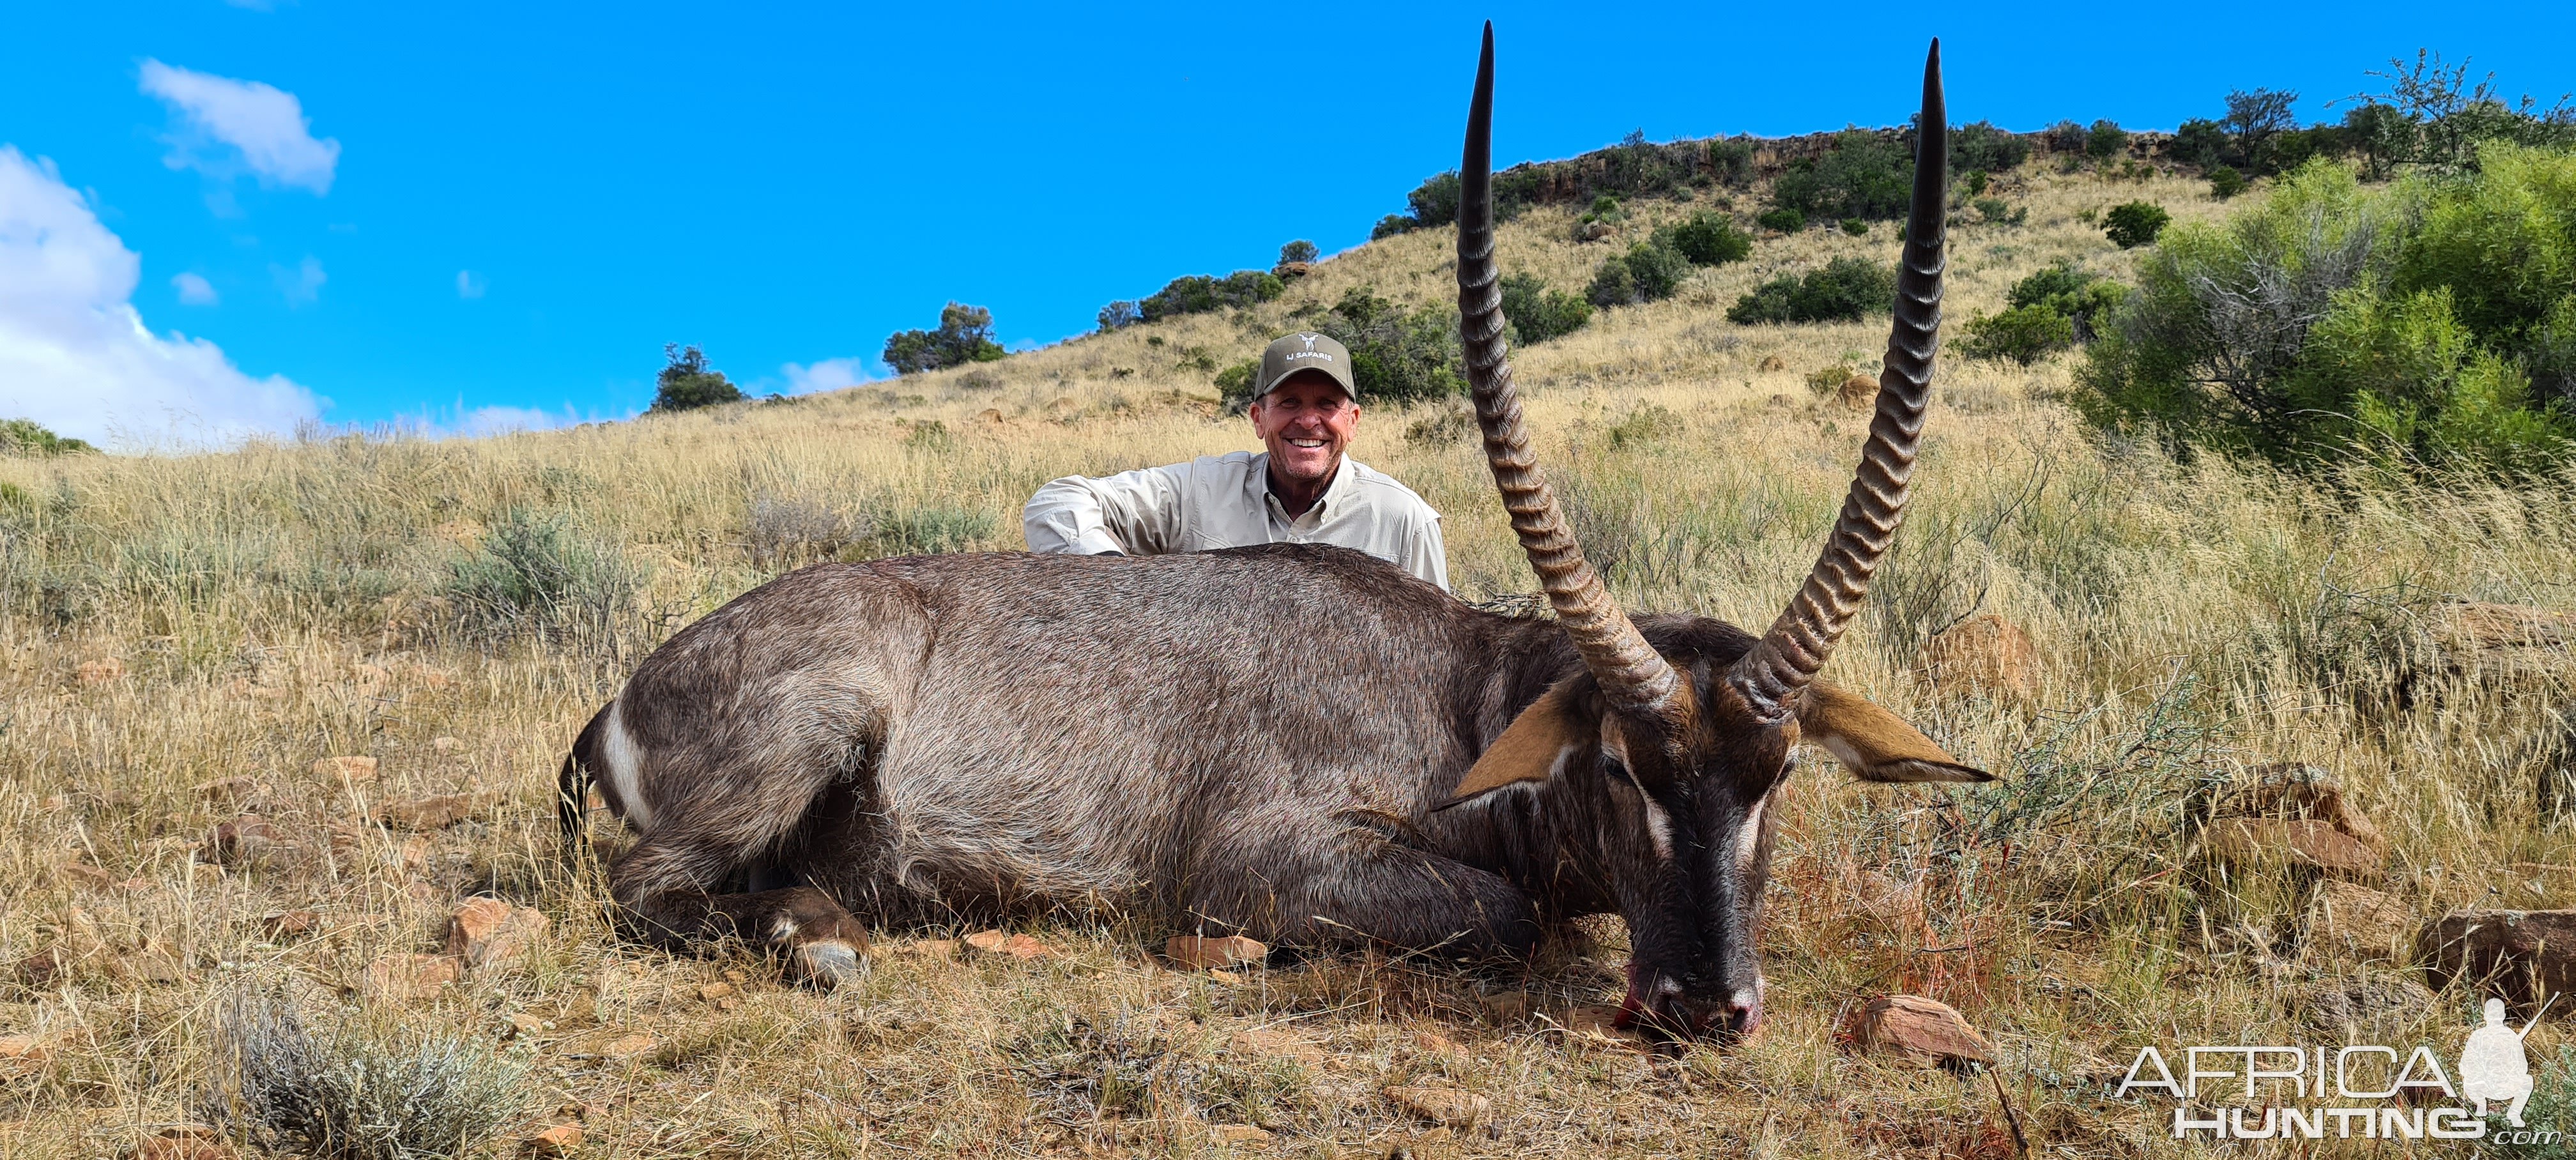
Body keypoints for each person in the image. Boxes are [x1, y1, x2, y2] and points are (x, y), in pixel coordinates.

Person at [1023, 332, 1448, 589]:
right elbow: (1057, 504)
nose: (1308, 421)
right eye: (1289, 402)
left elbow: (1439, 654)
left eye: (1327, 405)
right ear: (1258, 418)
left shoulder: (1405, 520)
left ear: (1353, 422)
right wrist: (1117, 583)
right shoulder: (1201, 490)